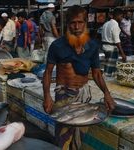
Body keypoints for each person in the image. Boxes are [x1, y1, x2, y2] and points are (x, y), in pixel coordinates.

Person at [42, 5, 116, 150]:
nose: (77, 26)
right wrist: (47, 96)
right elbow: (48, 73)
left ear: (85, 23)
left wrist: (107, 94)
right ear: (67, 24)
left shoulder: (93, 46)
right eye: (73, 23)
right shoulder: (57, 45)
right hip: (64, 95)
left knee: (80, 132)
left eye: (80, 22)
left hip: (84, 94)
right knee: (63, 134)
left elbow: (96, 74)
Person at [101, 8, 126, 77]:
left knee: (107, 65)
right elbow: (117, 41)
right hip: (112, 49)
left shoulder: (106, 24)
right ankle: (106, 83)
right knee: (109, 70)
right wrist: (122, 53)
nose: (121, 18)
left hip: (105, 48)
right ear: (118, 16)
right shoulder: (115, 26)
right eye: (121, 16)